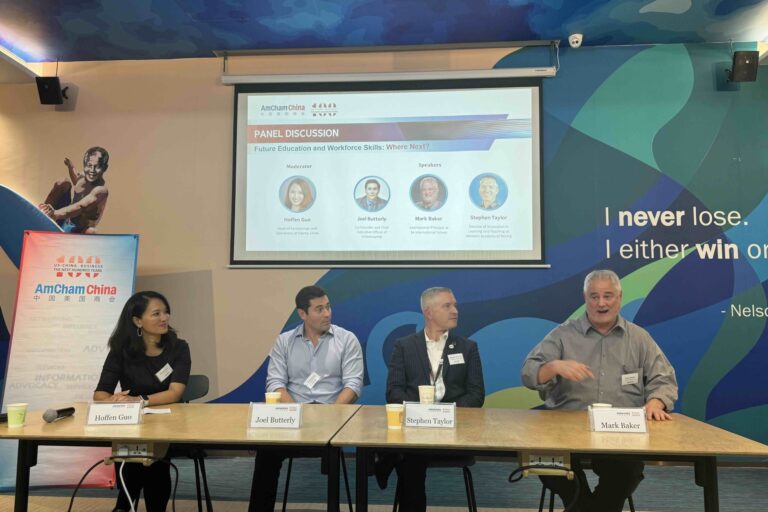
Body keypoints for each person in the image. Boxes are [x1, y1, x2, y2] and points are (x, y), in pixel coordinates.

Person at [521, 270, 678, 512]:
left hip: (621, 435)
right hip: (564, 433)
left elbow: (664, 378)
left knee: (627, 473)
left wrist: (656, 402)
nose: (601, 303)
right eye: (594, 297)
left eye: (608, 296)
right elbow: (528, 373)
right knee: (552, 468)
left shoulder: (639, 338)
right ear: (585, 298)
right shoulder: (563, 335)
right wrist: (553, 367)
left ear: (620, 298)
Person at [248, 285, 364, 512]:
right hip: (293, 418)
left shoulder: (346, 339)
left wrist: (331, 415)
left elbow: (353, 384)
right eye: (319, 309)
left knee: (341, 451)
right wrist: (295, 415)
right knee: (266, 452)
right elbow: (275, 383)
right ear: (302, 313)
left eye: (328, 307)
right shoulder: (284, 342)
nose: (327, 313)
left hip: (332, 419)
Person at [379, 287, 485, 512]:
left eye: (455, 305)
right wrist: (422, 414)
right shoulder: (404, 346)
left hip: (453, 430)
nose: (455, 311)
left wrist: (444, 414)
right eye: (447, 306)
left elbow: (476, 394)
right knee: (412, 459)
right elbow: (394, 392)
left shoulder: (467, 348)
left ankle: (387, 461)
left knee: (407, 457)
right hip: (415, 429)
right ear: (428, 312)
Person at [94, 291, 191, 512]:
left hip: (168, 422)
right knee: (131, 454)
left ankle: (134, 506)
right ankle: (125, 503)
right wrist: (113, 400)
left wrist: (138, 400)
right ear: (138, 321)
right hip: (132, 423)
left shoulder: (178, 347)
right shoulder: (121, 351)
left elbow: (175, 393)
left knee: (152, 460)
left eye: (166, 312)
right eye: (156, 313)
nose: (164, 318)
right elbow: (100, 394)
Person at [39, 146, 110, 233]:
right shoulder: (83, 177)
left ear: (105, 168)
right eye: (89, 165)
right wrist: (70, 166)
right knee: (63, 182)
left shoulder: (101, 191)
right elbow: (76, 179)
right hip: (64, 219)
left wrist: (56, 213)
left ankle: (50, 215)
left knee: (92, 231)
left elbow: (81, 206)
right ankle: (43, 212)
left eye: (97, 166)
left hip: (79, 230)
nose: (92, 170)